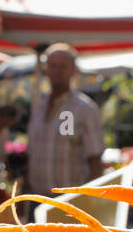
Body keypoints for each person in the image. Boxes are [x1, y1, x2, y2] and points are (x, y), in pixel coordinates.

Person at [26, 43, 104, 196]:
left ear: (74, 70)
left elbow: (95, 161)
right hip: (37, 198)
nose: (57, 71)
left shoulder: (85, 109)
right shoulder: (39, 107)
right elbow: (32, 155)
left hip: (68, 201)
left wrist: (87, 200)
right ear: (45, 69)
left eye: (63, 66)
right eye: (52, 65)